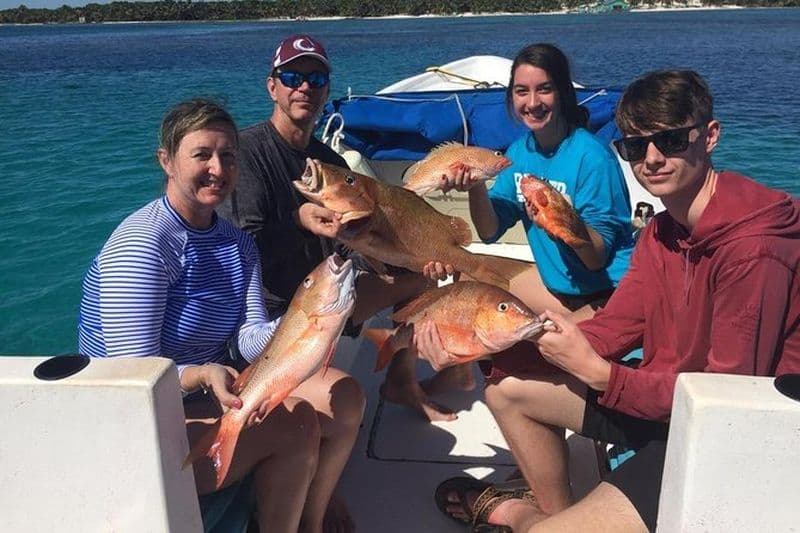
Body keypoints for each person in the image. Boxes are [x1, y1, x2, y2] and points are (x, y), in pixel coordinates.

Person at [426, 69, 800, 532]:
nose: (653, 159)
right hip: (671, 405)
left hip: (736, 440)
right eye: (636, 147)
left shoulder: (754, 248)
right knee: (508, 389)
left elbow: (724, 401)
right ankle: (561, 516)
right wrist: (495, 345)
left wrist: (604, 376)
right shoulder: (662, 232)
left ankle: (520, 515)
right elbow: (615, 327)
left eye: (672, 140)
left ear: (710, 137)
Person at [77, 99, 365, 533]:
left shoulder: (236, 244)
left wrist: (308, 320)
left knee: (345, 399)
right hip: (132, 424)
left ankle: (313, 513)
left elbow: (250, 337)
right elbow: (131, 378)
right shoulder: (143, 246)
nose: (218, 167)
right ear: (167, 161)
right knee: (298, 425)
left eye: (228, 156)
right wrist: (199, 375)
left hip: (210, 389)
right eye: (202, 154)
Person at [218, 33, 471, 422]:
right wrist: (299, 222)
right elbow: (244, 246)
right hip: (277, 307)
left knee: (424, 273)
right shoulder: (248, 152)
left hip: (330, 287)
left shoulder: (329, 160)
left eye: (315, 80)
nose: (304, 87)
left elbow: (348, 244)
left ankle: (403, 380)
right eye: (292, 78)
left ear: (326, 91)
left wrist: (383, 253)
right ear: (272, 87)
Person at [422, 42, 634, 399]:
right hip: (557, 290)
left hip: (605, 297)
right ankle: (460, 373)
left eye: (544, 89)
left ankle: (486, 362)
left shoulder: (592, 158)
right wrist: (475, 186)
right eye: (522, 91)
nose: (532, 102)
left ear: (563, 94)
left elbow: (596, 259)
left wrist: (565, 222)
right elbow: (489, 233)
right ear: (511, 97)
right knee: (468, 269)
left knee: (514, 365)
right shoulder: (521, 153)